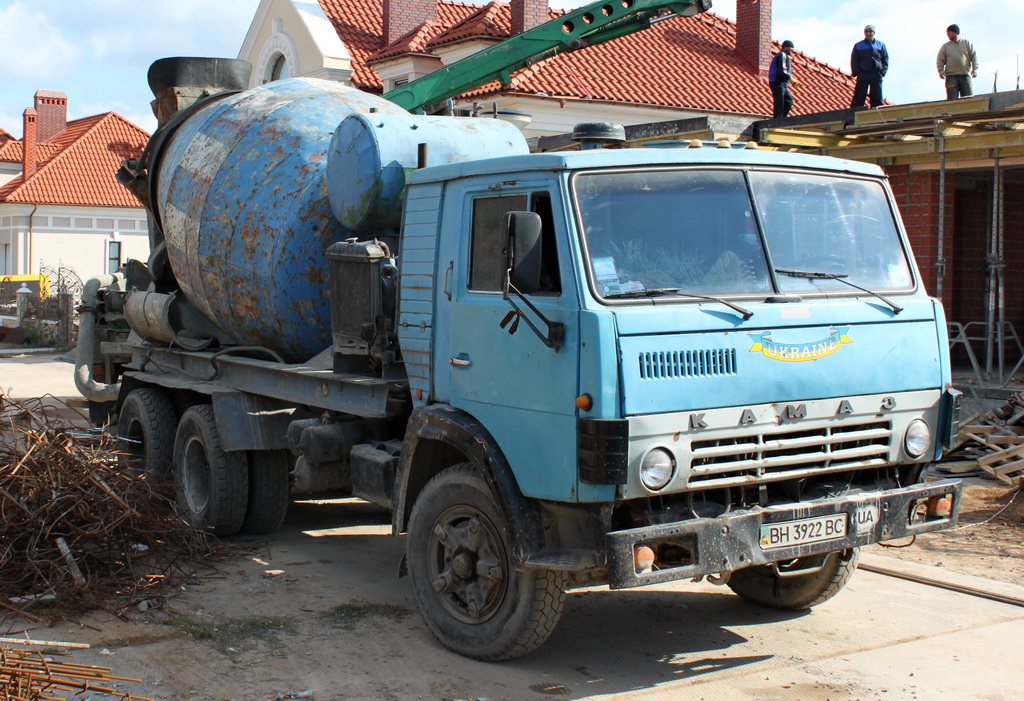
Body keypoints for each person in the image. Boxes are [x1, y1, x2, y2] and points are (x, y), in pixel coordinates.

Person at [850, 25, 888, 108]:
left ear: (874, 33)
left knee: (877, 94)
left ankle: (877, 109)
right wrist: (856, 72)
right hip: (863, 73)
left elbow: (885, 59)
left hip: (876, 73)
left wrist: (882, 72)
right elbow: (854, 60)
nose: (869, 33)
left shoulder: (881, 45)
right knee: (859, 94)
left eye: (870, 31)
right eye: (867, 31)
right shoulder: (858, 45)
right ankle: (856, 110)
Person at [936, 24, 979, 99]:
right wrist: (941, 71)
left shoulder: (967, 43)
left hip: (965, 75)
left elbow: (974, 56)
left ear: (955, 32)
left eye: (949, 32)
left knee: (968, 99)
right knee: (952, 100)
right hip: (951, 76)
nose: (948, 34)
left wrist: (975, 69)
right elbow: (940, 59)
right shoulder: (946, 46)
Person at [769, 40, 797, 118]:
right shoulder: (782, 55)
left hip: (782, 83)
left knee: (788, 100)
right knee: (780, 102)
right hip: (777, 82)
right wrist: (790, 79)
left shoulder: (784, 56)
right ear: (786, 47)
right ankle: (778, 119)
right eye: (791, 48)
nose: (792, 50)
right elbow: (782, 70)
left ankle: (782, 118)